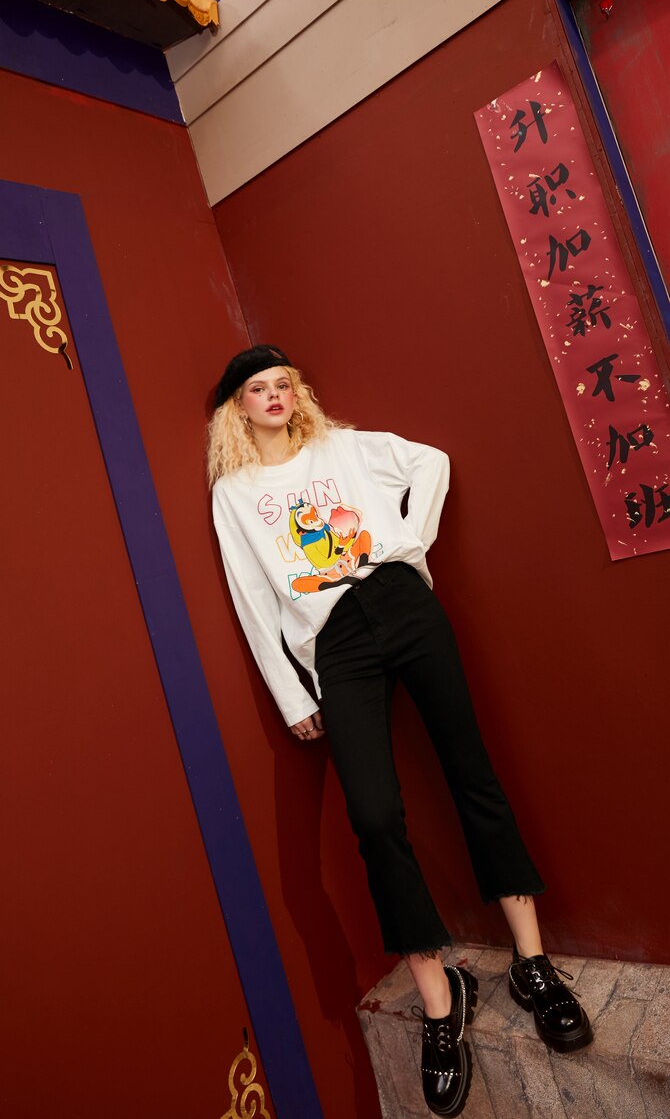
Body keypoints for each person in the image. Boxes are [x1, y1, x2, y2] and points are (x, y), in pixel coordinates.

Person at [208, 345, 592, 1117]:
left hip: (404, 605)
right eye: (259, 388)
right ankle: (440, 998)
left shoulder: (344, 448)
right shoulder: (235, 494)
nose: (275, 395)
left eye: (284, 384)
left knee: (470, 770)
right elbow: (251, 596)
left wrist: (408, 544)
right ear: (237, 407)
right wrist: (290, 693)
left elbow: (432, 463)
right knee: (375, 815)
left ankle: (532, 961)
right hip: (336, 641)